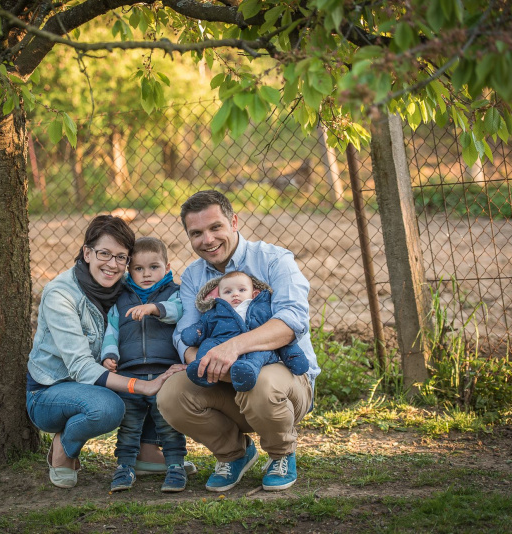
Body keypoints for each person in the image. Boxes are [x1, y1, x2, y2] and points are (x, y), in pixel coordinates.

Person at [158, 190, 321, 493]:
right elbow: (185, 334)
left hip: (282, 376)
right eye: (196, 233)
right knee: (171, 395)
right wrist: (199, 360)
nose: (207, 240)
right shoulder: (195, 276)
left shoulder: (274, 260)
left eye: (215, 227)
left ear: (233, 221)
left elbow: (291, 323)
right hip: (223, 380)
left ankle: (282, 453)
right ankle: (234, 454)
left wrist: (234, 347)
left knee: (261, 383)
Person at [26, 215, 184, 489]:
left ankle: (146, 452)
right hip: (51, 391)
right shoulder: (60, 295)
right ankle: (64, 446)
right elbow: (80, 368)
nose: (112, 264)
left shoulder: (128, 288)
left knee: (146, 369)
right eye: (104, 254)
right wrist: (141, 386)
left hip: (99, 382)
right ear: (87, 253)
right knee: (111, 406)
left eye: (121, 257)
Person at [100, 237, 188, 493]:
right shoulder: (121, 298)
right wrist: (109, 355)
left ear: (167, 267)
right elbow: (111, 330)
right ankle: (125, 466)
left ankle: (175, 466)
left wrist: (154, 308)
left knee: (168, 423)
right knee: (129, 425)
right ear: (129, 271)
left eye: (154, 267)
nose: (146, 274)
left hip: (164, 373)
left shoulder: (174, 293)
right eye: (139, 269)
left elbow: (178, 311)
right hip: (130, 376)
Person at [183, 270, 309, 392]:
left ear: (254, 294)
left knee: (259, 354)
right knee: (208, 345)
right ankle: (202, 369)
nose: (235, 294)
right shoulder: (215, 312)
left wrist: (293, 355)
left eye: (242, 290)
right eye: (228, 292)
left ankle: (247, 370)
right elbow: (203, 326)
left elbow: (278, 336)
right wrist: (195, 333)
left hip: (255, 346)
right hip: (220, 342)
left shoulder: (262, 310)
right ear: (218, 296)